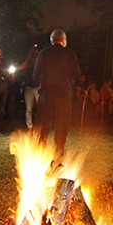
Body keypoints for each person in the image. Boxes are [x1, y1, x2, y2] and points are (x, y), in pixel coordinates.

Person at [32, 29, 81, 161]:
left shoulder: (43, 53)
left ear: (52, 40)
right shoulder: (69, 53)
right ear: (64, 41)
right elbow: (76, 75)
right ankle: (58, 158)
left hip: (46, 95)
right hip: (63, 96)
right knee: (61, 128)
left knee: (43, 129)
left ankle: (39, 159)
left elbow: (35, 76)